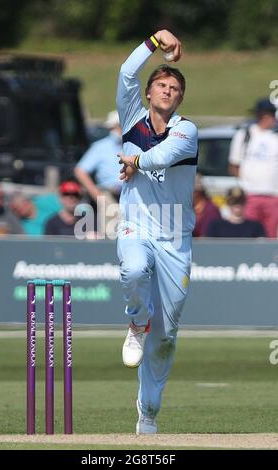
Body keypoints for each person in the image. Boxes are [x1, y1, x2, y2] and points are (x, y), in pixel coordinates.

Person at [116, 30, 198, 434]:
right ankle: (135, 321)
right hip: (135, 227)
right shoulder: (131, 118)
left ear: (179, 98)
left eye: (174, 87)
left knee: (165, 338)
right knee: (133, 270)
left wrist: (136, 161)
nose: (168, 90)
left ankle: (147, 412)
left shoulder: (187, 131)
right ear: (149, 93)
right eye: (161, 85)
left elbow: (164, 155)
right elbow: (126, 71)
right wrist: (154, 40)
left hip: (175, 240)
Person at [228, 98, 278, 237]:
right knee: (249, 233)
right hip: (250, 194)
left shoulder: (275, 136)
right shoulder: (245, 135)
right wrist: (245, 182)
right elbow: (234, 164)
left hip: (273, 195)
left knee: (270, 236)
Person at [74, 110, 122, 234]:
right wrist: (97, 194)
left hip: (130, 193)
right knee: (111, 232)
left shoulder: (133, 145)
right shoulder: (100, 147)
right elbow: (80, 170)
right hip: (109, 194)